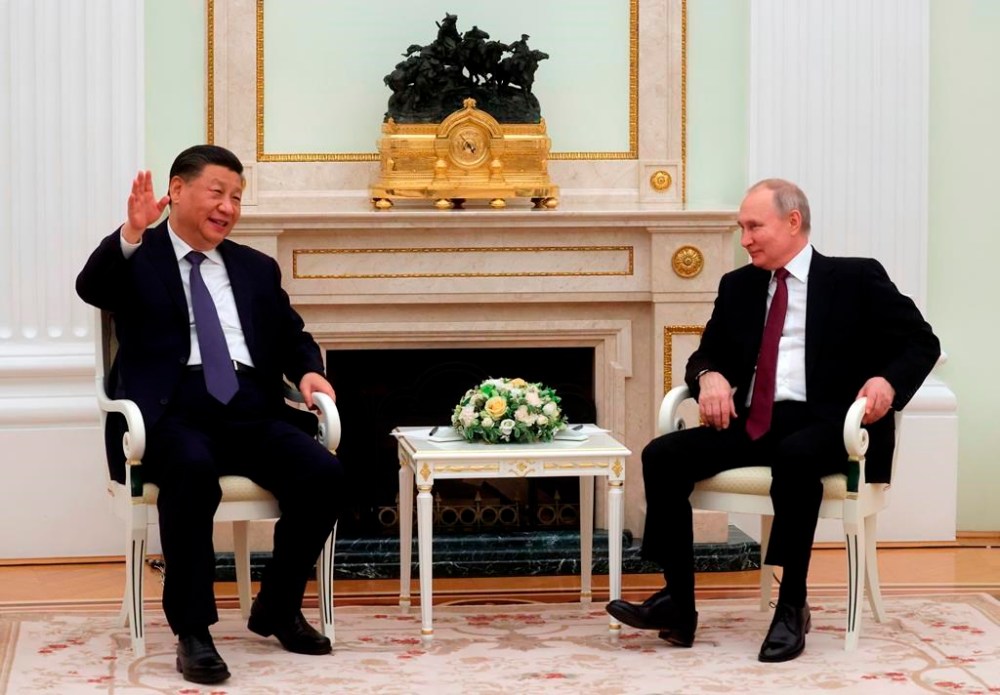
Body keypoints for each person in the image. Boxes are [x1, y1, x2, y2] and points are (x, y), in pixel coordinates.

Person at [606, 178, 940, 662]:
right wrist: (708, 376)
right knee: (663, 455)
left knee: (796, 455)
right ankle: (677, 602)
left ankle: (791, 604)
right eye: (741, 228)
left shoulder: (855, 278)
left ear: (793, 221)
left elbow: (921, 342)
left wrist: (887, 382)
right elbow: (705, 353)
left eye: (754, 226)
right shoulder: (738, 285)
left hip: (833, 424)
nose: (744, 239)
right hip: (757, 420)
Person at [77, 145, 345, 685]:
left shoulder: (254, 267)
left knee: (324, 473)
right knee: (193, 471)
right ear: (177, 190)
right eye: (217, 192)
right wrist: (131, 233)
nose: (228, 207)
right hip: (171, 413)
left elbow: (292, 335)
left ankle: (278, 607)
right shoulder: (139, 257)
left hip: (251, 408)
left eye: (237, 197)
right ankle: (194, 631)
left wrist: (308, 372)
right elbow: (92, 288)